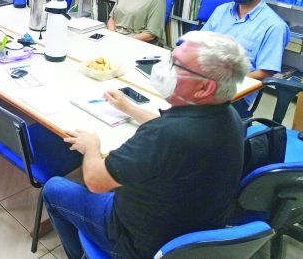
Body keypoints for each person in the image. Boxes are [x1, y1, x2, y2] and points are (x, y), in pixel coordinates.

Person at [43, 30, 250, 259]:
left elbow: (95, 181)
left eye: (176, 65)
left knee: (54, 188)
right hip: (192, 231)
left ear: (204, 88)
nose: (163, 68)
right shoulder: (228, 115)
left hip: (139, 242)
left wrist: (91, 146)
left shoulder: (164, 136)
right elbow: (175, 128)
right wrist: (129, 108)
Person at [201, 0, 290, 114]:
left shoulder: (274, 26)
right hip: (202, 76)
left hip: (234, 92)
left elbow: (265, 72)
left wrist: (223, 84)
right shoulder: (222, 10)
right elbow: (199, 43)